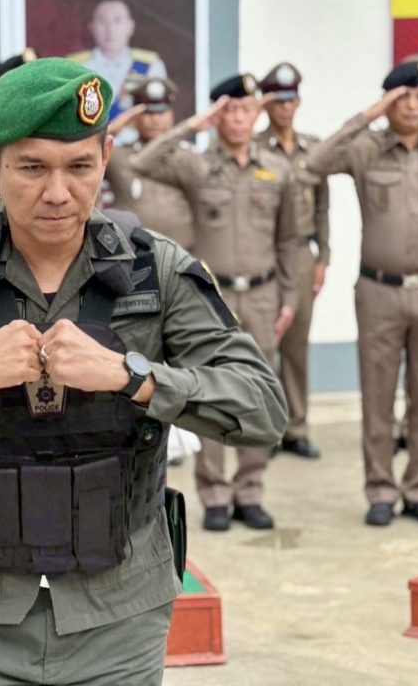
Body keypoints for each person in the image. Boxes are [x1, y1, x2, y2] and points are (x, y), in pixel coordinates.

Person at [0, 58, 286, 685]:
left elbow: (263, 409)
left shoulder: (158, 271)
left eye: (79, 167)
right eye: (33, 167)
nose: (58, 193)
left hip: (119, 614)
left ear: (106, 157)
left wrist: (135, 377)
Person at [307, 61, 418, 527]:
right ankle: (381, 489)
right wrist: (369, 115)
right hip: (378, 292)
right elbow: (315, 162)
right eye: (403, 98)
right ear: (388, 103)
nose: (413, 106)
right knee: (378, 394)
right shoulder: (365, 149)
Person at [130, 73, 299, 532]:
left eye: (246, 109)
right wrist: (193, 125)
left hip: (263, 293)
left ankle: (251, 491)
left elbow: (289, 240)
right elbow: (143, 161)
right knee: (209, 388)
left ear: (258, 112)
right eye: (230, 110)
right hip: (212, 296)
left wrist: (290, 297)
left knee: (258, 389)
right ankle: (215, 494)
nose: (239, 118)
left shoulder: (277, 169)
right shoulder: (196, 165)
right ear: (217, 114)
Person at [256, 62, 329, 459]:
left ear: (298, 102)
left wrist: (323, 257)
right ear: (266, 104)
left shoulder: (313, 150)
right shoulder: (254, 149)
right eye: (277, 100)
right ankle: (267, 430)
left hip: (301, 254)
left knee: (297, 344)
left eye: (290, 100)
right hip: (264, 254)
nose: (285, 108)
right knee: (264, 344)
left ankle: (296, 428)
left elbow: (322, 209)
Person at [105, 75, 194, 249]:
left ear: (172, 114)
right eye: (148, 112)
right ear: (134, 116)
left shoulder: (188, 157)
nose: (156, 119)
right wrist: (114, 127)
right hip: (133, 255)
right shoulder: (117, 156)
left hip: (182, 254)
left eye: (162, 112)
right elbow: (84, 150)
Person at [67, 0, 167, 120]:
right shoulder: (75, 66)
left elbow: (159, 115)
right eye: (103, 22)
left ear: (130, 26)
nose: (111, 29)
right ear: (92, 27)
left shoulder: (150, 65)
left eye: (117, 21)